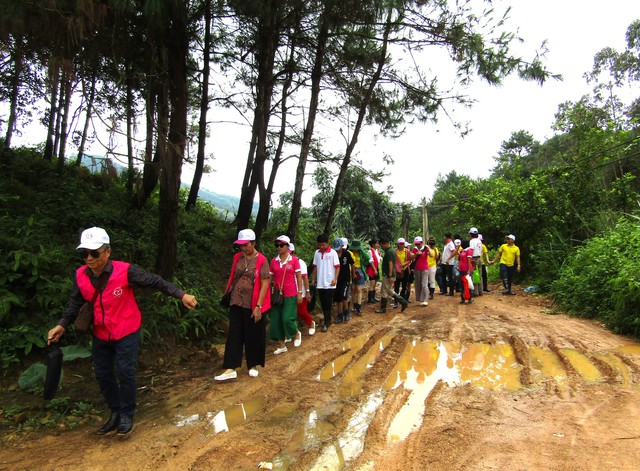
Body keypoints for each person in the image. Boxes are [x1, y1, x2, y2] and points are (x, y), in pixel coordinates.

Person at [47, 227, 198, 436]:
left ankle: (127, 412)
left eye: (94, 253)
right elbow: (75, 302)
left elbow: (155, 281)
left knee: (125, 371)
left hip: (126, 330)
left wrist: (181, 295)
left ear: (107, 252)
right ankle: (115, 411)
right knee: (102, 374)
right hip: (100, 332)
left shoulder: (125, 271)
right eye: (84, 254)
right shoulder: (80, 275)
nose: (89, 259)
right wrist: (61, 325)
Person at [215, 228, 270, 382]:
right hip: (236, 300)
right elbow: (233, 276)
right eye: (241, 245)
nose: (243, 248)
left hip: (252, 303)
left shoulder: (262, 260)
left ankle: (253, 364)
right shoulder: (237, 257)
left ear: (254, 243)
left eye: (246, 245)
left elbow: (265, 284)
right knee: (234, 333)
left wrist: (258, 306)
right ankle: (231, 367)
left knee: (253, 334)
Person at [269, 235, 303, 354]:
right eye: (277, 245)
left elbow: (299, 277)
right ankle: (282, 345)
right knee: (276, 320)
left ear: (287, 246)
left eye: (281, 245)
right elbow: (270, 278)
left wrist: (300, 292)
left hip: (290, 293)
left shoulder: (294, 260)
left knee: (287, 318)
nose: (278, 247)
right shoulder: (274, 261)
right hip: (277, 295)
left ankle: (296, 333)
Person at [310, 234, 340, 332]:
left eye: (323, 245)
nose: (321, 247)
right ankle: (328, 320)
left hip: (330, 283)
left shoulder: (333, 253)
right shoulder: (317, 253)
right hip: (320, 282)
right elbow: (315, 267)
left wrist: (335, 278)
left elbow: (337, 267)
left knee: (328, 302)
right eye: (320, 245)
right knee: (323, 302)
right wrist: (313, 279)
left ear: (327, 243)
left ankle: (327, 321)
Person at [375, 237, 408, 313]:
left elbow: (390, 264)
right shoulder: (391, 250)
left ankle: (383, 308)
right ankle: (403, 302)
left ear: (386, 244)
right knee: (389, 290)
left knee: (384, 290)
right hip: (389, 274)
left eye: (382, 246)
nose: (381, 248)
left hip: (388, 274)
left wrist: (390, 276)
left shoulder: (389, 252)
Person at [290, 243, 315, 336]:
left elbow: (305, 278)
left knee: (301, 311)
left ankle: (311, 323)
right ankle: (292, 332)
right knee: (290, 313)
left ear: (293, 253)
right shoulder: (284, 262)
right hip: (289, 292)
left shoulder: (300, 263)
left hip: (301, 291)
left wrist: (307, 292)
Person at [333, 237, 354, 323]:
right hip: (336, 279)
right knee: (338, 298)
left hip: (345, 278)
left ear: (342, 246)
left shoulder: (347, 254)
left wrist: (353, 273)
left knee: (344, 296)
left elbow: (352, 264)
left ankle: (346, 311)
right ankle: (339, 315)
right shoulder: (333, 255)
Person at [348, 239, 370, 315]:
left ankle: (359, 307)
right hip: (351, 271)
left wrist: (361, 250)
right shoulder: (349, 253)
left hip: (360, 271)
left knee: (359, 289)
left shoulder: (361, 253)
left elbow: (367, 257)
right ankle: (354, 306)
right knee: (353, 289)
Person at [411, 236, 435, 306]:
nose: (417, 245)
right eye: (416, 244)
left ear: (421, 243)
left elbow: (432, 255)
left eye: (419, 244)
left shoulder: (425, 248)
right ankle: (419, 298)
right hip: (417, 268)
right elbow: (412, 258)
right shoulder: (414, 249)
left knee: (424, 284)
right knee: (418, 284)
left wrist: (428, 249)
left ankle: (425, 299)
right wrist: (416, 254)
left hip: (424, 268)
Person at [393, 238, 411, 307]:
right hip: (397, 270)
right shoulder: (395, 251)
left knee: (404, 286)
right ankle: (396, 301)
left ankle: (402, 299)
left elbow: (409, 260)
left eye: (403, 244)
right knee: (396, 286)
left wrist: (404, 264)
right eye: (400, 244)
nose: (401, 245)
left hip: (405, 269)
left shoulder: (407, 251)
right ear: (398, 244)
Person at [457, 239, 475, 304]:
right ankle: (463, 298)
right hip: (462, 269)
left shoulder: (468, 251)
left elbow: (469, 260)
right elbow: (457, 252)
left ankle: (469, 298)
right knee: (462, 284)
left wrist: (469, 270)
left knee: (468, 284)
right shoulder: (462, 251)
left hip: (466, 269)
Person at [468, 227, 483, 296]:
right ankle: (480, 291)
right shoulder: (479, 240)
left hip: (474, 259)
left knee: (474, 275)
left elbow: (471, 250)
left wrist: (470, 259)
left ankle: (475, 292)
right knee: (479, 274)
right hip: (479, 258)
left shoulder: (472, 241)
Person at [366, 239, 381, 303]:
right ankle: (370, 299)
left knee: (375, 283)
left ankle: (373, 297)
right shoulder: (370, 251)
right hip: (372, 269)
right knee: (372, 284)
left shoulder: (376, 251)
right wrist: (374, 269)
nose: (378, 245)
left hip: (376, 268)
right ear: (373, 244)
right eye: (376, 243)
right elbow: (371, 261)